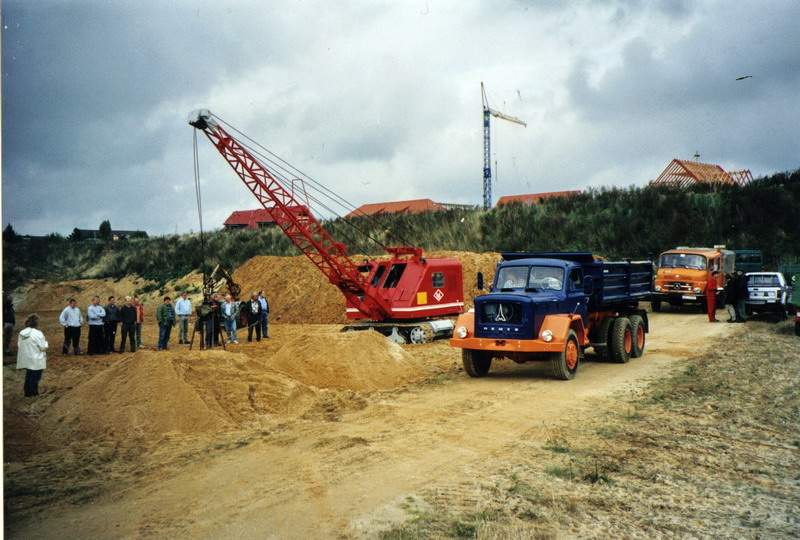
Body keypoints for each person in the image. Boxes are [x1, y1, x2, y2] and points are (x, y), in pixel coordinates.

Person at [16, 314, 48, 397]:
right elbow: (43, 347)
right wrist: (46, 343)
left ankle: (27, 393)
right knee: (35, 377)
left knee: (29, 375)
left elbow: (19, 345)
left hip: (27, 358)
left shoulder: (22, 333)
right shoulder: (38, 333)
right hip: (36, 358)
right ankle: (34, 393)